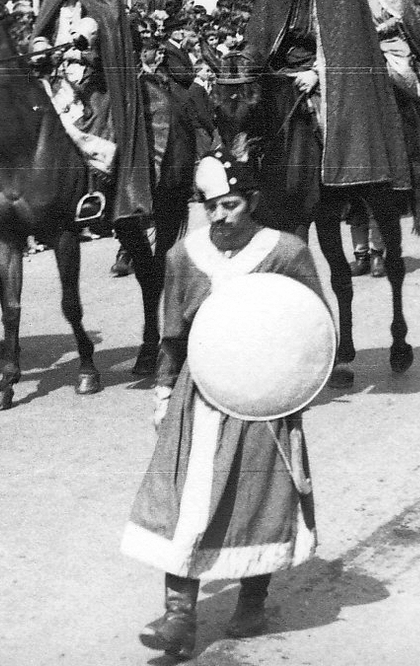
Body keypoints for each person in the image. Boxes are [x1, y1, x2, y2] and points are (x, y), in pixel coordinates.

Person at [123, 152, 324, 658]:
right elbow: (172, 334)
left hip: (264, 398)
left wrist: (293, 388)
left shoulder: (287, 252)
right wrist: (164, 391)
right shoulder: (183, 257)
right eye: (210, 207)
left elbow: (312, 324)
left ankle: (252, 603)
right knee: (186, 497)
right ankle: (179, 618)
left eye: (230, 205)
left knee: (258, 498)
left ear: (252, 202)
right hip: (203, 393)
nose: (219, 217)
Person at [242, 0, 413, 235]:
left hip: (323, 75)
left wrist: (319, 73)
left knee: (337, 124)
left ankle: (349, 195)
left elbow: (347, 39)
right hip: (282, 73)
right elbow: (260, 33)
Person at [32, 0, 152, 274]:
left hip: (93, 78)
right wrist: (39, 44)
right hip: (55, 78)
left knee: (96, 125)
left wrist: (87, 34)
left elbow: (109, 20)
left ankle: (96, 195)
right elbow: (43, 27)